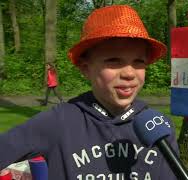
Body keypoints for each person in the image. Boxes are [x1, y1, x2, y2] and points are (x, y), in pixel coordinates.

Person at [0, 5, 179, 180]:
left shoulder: (159, 126)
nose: (129, 73)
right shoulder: (58, 123)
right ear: (86, 68)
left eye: (139, 61)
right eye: (114, 61)